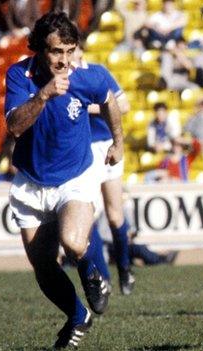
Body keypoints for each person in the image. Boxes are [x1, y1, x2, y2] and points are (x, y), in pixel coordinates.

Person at [4, 12, 123, 348]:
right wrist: (43, 96)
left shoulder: (88, 76)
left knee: (72, 242)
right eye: (57, 52)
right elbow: (14, 126)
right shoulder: (19, 75)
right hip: (31, 181)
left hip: (76, 176)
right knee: (42, 265)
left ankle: (92, 274)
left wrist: (119, 141)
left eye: (70, 51)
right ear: (40, 50)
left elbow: (110, 100)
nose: (65, 60)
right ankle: (77, 315)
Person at [73, 46, 137, 295]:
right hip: (82, 150)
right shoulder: (61, 78)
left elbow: (124, 105)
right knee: (87, 215)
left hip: (106, 145)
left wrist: (88, 106)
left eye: (74, 51)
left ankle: (124, 267)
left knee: (115, 215)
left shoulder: (97, 73)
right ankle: (104, 278)